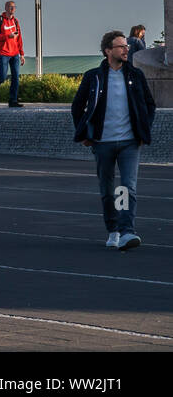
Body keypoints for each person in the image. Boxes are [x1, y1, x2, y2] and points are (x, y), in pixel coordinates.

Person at [72, 31, 157, 251]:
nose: (126, 49)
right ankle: (113, 230)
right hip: (103, 143)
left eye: (126, 46)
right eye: (121, 46)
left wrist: (142, 130)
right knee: (108, 190)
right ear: (108, 51)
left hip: (130, 142)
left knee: (127, 188)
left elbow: (149, 105)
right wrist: (84, 135)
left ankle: (127, 231)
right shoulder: (94, 76)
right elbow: (77, 106)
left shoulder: (136, 75)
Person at [0, 0, 25, 107]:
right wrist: (8, 36)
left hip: (15, 53)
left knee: (16, 77)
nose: (13, 9)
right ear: (6, 8)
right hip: (3, 52)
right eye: (10, 7)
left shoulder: (16, 21)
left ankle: (13, 100)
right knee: (2, 76)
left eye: (14, 7)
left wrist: (22, 54)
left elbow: (19, 39)